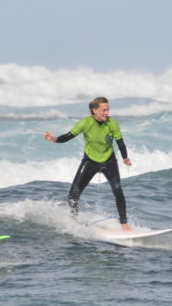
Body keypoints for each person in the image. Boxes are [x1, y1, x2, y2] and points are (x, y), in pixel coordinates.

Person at [45, 97, 132, 231]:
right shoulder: (86, 123)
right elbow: (68, 136)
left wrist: (125, 158)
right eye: (103, 110)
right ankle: (74, 219)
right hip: (90, 161)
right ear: (94, 110)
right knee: (74, 192)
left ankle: (124, 224)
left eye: (108, 110)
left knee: (118, 190)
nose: (106, 113)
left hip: (109, 161)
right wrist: (55, 139)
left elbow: (120, 142)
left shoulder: (112, 123)